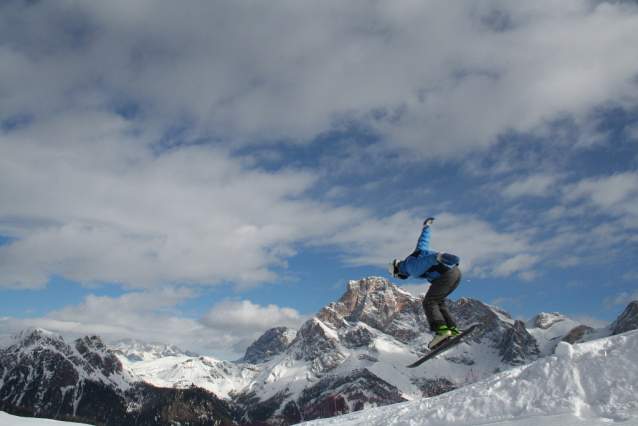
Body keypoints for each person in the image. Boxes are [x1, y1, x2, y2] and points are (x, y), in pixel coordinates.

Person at [388, 217, 462, 349]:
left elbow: (427, 261)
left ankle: (442, 331)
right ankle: (453, 330)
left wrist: (439, 256)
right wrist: (426, 228)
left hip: (445, 275)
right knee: (439, 301)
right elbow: (423, 241)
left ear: (398, 271)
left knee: (429, 302)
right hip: (456, 272)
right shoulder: (415, 255)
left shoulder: (411, 268)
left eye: (398, 277)